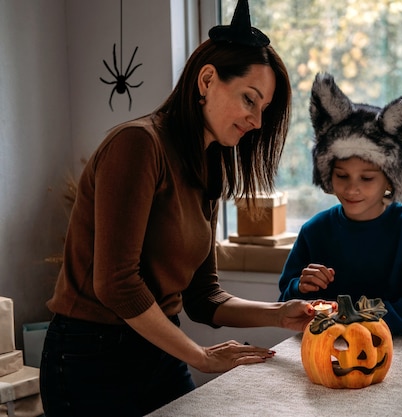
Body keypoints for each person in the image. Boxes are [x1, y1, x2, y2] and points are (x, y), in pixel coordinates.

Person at [39, 2, 320, 416]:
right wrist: (201, 357)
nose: (257, 121)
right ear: (207, 80)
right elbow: (116, 284)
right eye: (250, 100)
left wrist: (281, 315)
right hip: (91, 359)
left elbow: (203, 297)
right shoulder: (137, 145)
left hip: (160, 349)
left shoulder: (207, 167)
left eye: (263, 110)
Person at [278, 72, 402, 337]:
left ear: (390, 180)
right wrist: (300, 288)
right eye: (341, 175)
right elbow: (285, 301)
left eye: (367, 178)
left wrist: (359, 317)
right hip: (330, 348)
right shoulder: (315, 231)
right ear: (327, 175)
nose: (352, 188)